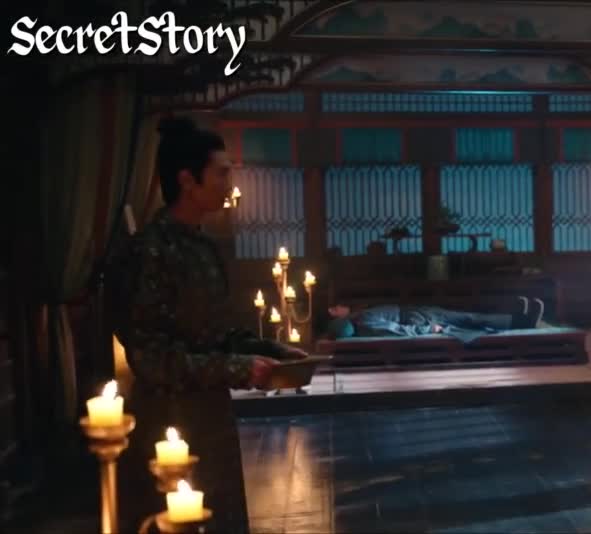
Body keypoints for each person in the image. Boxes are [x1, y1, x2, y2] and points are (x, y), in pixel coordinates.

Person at [107, 117, 303, 533]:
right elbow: (150, 358)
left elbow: (217, 334)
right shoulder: (150, 251)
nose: (229, 183)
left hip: (212, 417)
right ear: (188, 181)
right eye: (221, 173)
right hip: (169, 426)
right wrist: (236, 368)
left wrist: (272, 351)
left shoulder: (203, 248)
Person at [325, 298, 544, 344]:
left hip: (417, 312)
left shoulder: (362, 314)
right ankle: (524, 321)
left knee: (470, 317)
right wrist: (430, 329)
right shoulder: (364, 321)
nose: (338, 308)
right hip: (417, 318)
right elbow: (397, 330)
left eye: (337, 307)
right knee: (470, 319)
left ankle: (520, 318)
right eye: (334, 310)